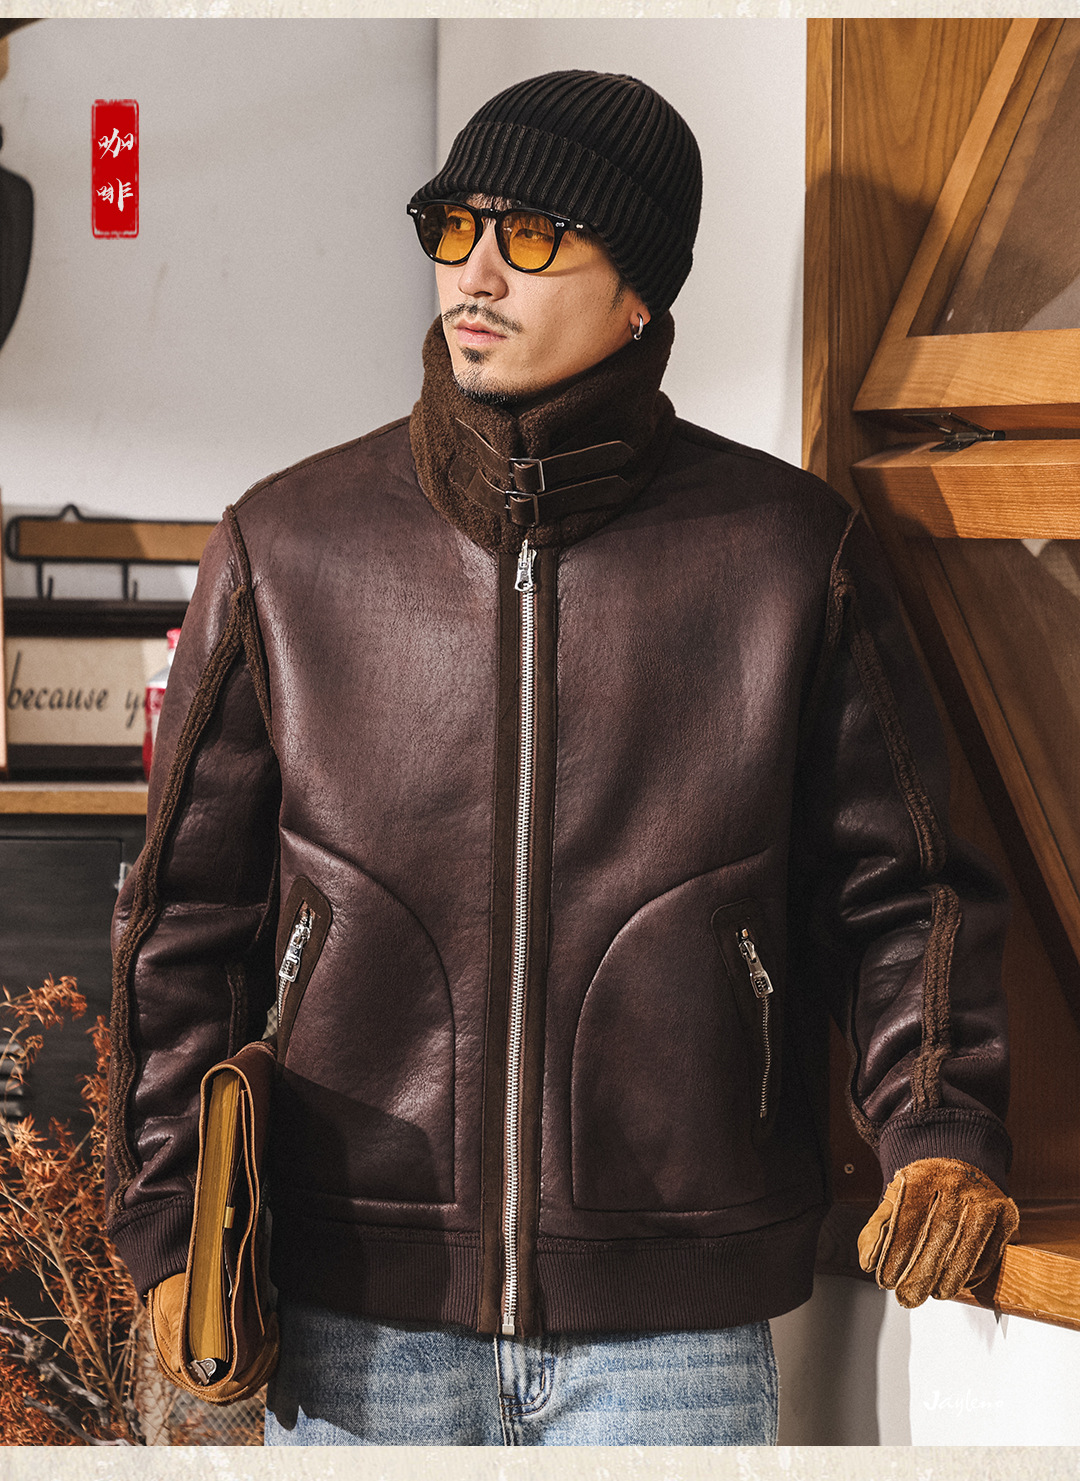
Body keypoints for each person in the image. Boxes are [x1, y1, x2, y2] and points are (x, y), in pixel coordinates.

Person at [107, 71, 1018, 1447]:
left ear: (640, 290)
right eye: (454, 228)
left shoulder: (788, 558)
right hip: (356, 1320)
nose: (475, 273)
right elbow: (186, 920)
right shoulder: (289, 550)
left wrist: (939, 1125)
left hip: (673, 1330)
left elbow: (901, 893)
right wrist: (172, 1218)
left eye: (530, 236)